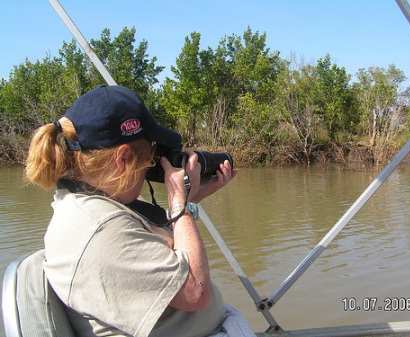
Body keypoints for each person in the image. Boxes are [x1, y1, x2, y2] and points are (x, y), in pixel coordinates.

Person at [25, 85, 254, 337]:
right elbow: (195, 292)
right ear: (123, 158)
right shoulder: (102, 229)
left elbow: (154, 251)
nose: (151, 166)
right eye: (149, 156)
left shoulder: (88, 203)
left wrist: (190, 200)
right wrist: (179, 203)